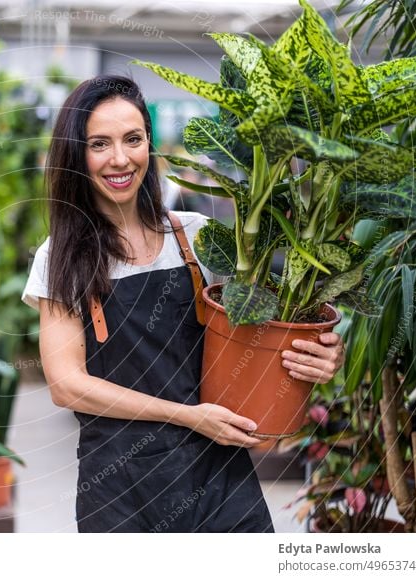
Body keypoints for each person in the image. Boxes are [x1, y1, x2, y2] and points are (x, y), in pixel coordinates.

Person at [21, 75, 345, 533]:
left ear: (149, 146)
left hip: (219, 477)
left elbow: (271, 331)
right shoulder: (60, 257)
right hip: (119, 488)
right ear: (76, 154)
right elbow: (67, 386)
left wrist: (322, 350)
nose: (120, 159)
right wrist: (187, 416)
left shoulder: (195, 238)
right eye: (99, 144)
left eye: (133, 139)